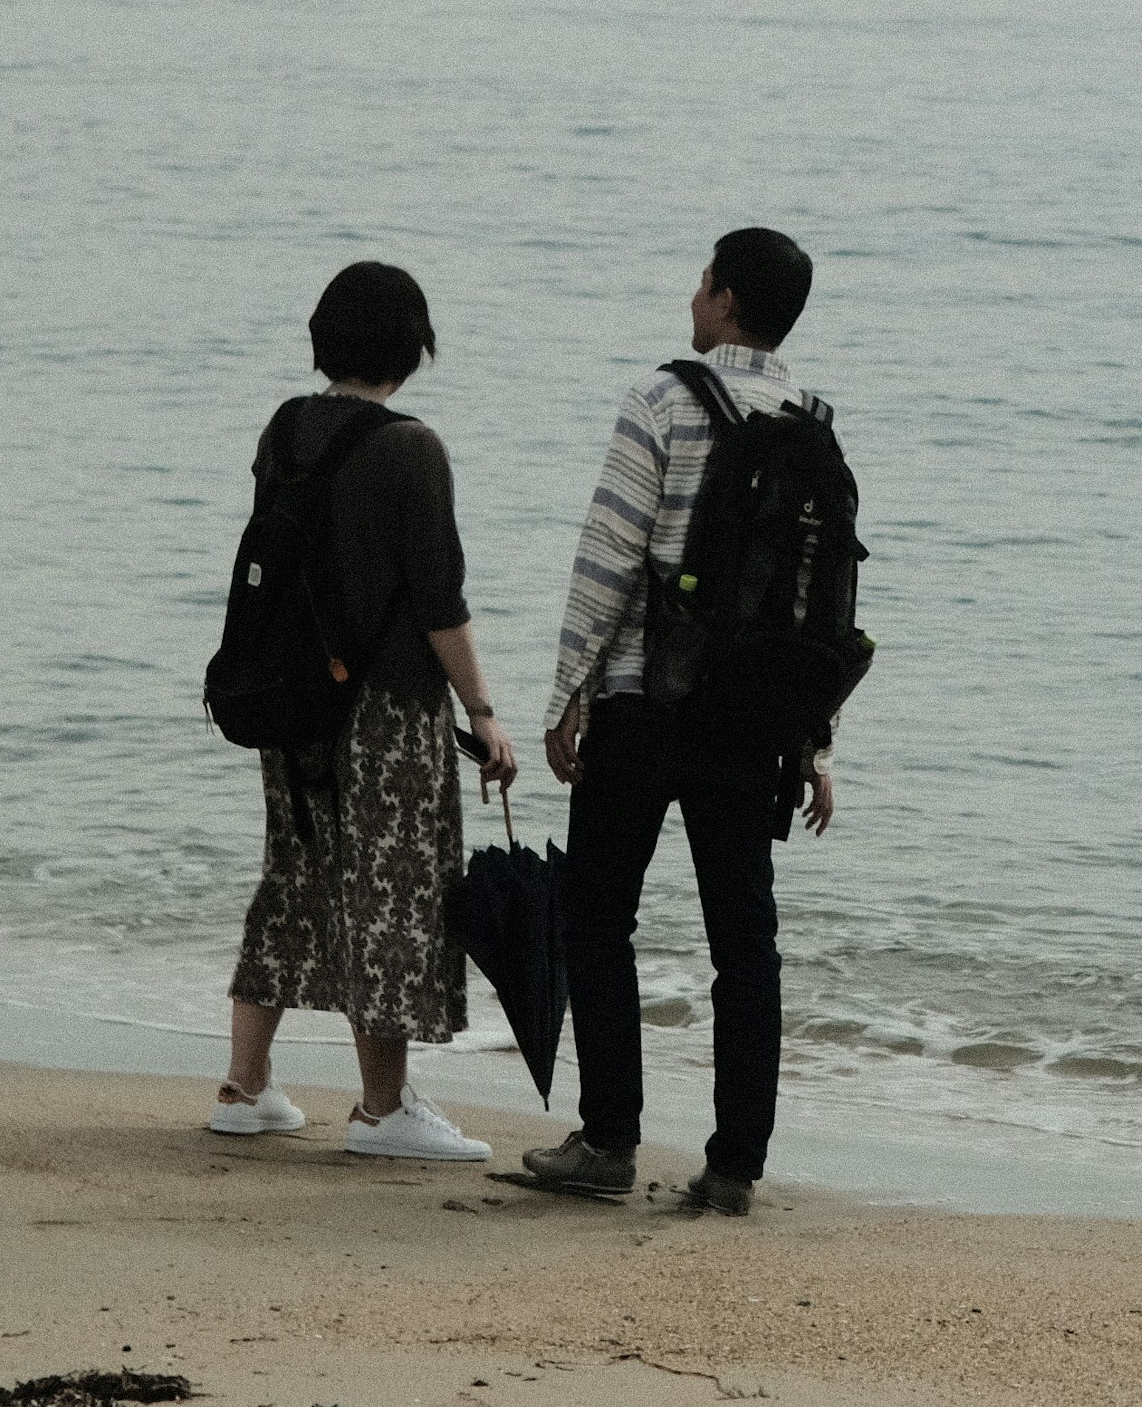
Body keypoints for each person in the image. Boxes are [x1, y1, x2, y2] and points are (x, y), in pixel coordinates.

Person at [518, 228, 836, 1216]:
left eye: (704, 283)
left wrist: (567, 690)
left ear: (728, 301)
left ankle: (609, 1141)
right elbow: (817, 602)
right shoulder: (811, 424)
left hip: (643, 701)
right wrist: (814, 740)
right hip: (752, 718)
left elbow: (610, 553)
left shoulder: (660, 400)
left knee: (600, 916)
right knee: (746, 940)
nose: (693, 296)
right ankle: (735, 1165)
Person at [210, 260, 520, 1161]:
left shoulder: (286, 428)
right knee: (390, 891)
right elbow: (439, 601)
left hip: (295, 698)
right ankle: (383, 1111)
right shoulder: (410, 448)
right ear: (411, 346)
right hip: (384, 710)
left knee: (296, 877)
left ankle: (247, 1085)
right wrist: (485, 711)